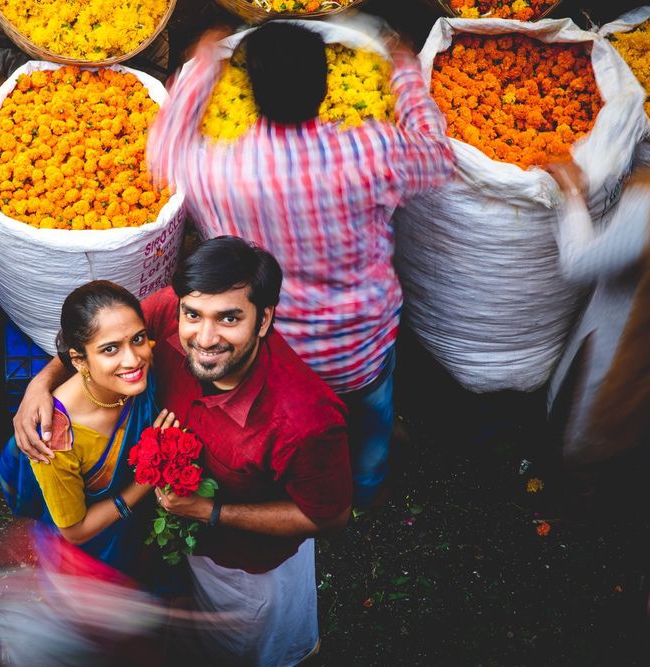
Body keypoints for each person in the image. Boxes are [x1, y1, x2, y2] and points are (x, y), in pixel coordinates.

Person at [147, 23, 456, 508]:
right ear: (324, 88)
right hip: (360, 345)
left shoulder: (221, 168)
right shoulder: (368, 150)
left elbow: (163, 149)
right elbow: (439, 157)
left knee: (289, 431)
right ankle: (367, 487)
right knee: (370, 420)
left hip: (274, 356)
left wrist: (201, 69)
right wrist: (405, 74)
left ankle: (296, 495)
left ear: (252, 92)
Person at [14, 237, 352, 665]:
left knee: (254, 645)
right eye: (194, 316)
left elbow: (330, 516)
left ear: (264, 319)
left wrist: (210, 511)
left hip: (245, 566)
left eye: (229, 319)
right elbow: (102, 334)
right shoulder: (176, 309)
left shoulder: (304, 421)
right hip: (181, 545)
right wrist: (39, 386)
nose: (204, 337)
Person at [0, 281, 178, 577]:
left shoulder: (137, 374)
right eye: (110, 350)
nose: (133, 359)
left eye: (138, 339)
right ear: (79, 360)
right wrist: (148, 479)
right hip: (101, 541)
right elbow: (76, 531)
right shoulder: (55, 438)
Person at [546, 162, 649, 483]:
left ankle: (576, 495)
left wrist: (572, 193)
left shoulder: (646, 208)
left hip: (618, 349)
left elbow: (578, 263)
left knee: (585, 424)